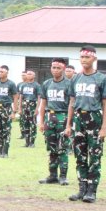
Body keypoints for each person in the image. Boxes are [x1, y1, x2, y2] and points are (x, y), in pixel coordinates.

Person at [66, 46, 106, 203]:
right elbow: (72, 102)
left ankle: (92, 190)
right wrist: (68, 125)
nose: (84, 60)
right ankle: (82, 189)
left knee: (95, 156)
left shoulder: (101, 78)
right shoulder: (75, 78)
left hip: (94, 119)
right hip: (79, 119)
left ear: (94, 59)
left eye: (87, 57)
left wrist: (104, 127)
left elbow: (105, 104)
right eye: (82, 57)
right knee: (80, 155)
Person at [38, 58, 72, 186]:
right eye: (53, 67)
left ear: (63, 69)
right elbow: (43, 103)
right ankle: (52, 175)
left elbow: (72, 105)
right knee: (51, 148)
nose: (55, 70)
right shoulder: (46, 83)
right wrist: (41, 122)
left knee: (62, 148)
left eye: (58, 68)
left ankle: (63, 176)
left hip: (63, 117)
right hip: (50, 117)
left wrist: (69, 124)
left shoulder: (69, 84)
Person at [0, 65, 19, 158]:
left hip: (7, 108)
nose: (0, 73)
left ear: (7, 73)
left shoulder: (11, 84)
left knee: (6, 131)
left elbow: (15, 97)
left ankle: (5, 152)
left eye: (2, 71)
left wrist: (14, 112)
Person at [18, 70, 41, 147]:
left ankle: (32, 142)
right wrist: (20, 108)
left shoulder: (37, 85)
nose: (28, 75)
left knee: (33, 124)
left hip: (32, 105)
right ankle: (27, 142)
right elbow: (21, 97)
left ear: (34, 76)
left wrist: (37, 109)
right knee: (25, 124)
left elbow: (39, 98)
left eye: (30, 74)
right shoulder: (23, 85)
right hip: (25, 106)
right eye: (27, 74)